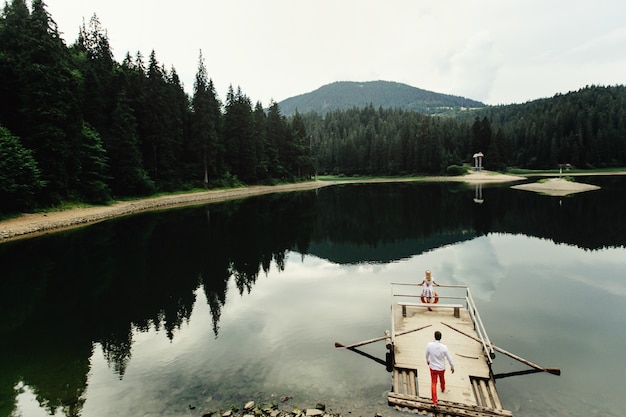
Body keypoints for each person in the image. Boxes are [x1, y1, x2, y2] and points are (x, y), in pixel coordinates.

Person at [425, 330, 454, 406]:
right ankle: (443, 388)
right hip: (441, 367)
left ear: (434, 337)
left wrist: (427, 360)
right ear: (441, 338)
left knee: (433, 383)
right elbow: (449, 358)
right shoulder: (444, 347)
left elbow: (426, 354)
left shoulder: (429, 345)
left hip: (433, 367)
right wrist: (452, 366)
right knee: (442, 378)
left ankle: (434, 401)